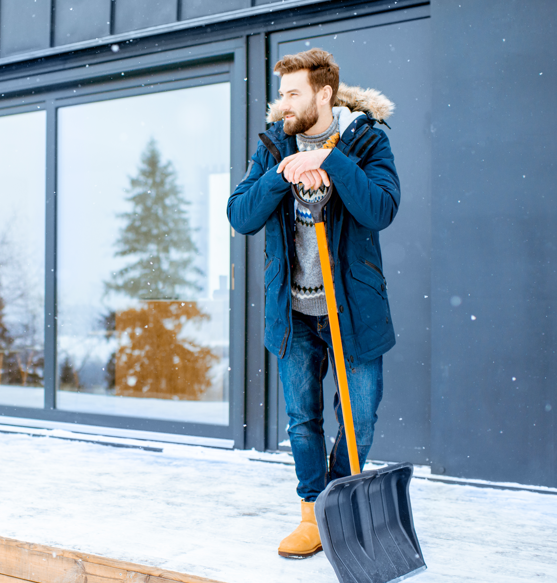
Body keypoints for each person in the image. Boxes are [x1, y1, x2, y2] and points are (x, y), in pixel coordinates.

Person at [226, 48, 400, 558]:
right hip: (295, 312)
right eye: (281, 94)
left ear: (323, 94)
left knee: (359, 416)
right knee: (302, 419)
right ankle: (313, 510)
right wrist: (282, 172)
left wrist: (332, 161)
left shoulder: (366, 140)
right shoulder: (273, 142)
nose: (282, 104)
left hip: (353, 308)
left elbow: (380, 208)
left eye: (292, 93)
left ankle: (338, 500)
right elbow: (240, 215)